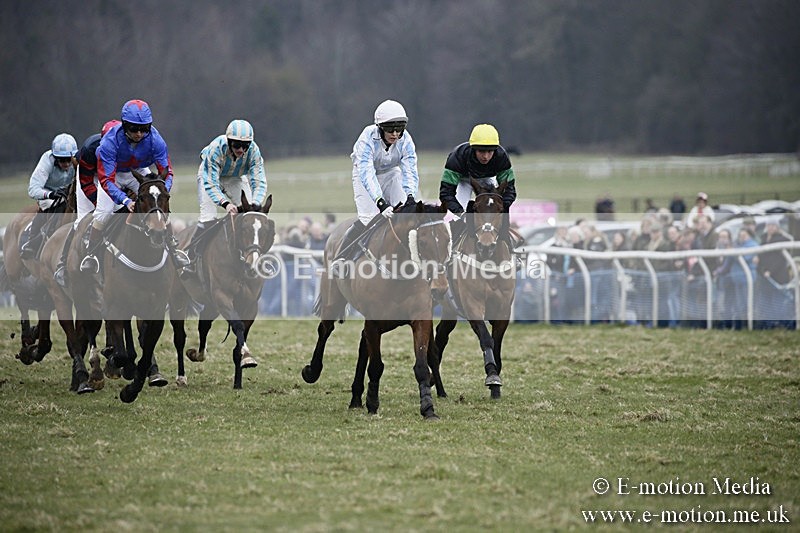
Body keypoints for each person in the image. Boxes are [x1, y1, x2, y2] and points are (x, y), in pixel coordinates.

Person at [80, 99, 186, 274]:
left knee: (157, 203)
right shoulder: (110, 142)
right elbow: (107, 181)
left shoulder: (156, 140)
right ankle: (92, 254)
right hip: (113, 175)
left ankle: (173, 249)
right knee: (103, 213)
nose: (139, 134)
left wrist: (163, 191)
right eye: (134, 129)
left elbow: (167, 173)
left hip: (137, 171)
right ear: (124, 126)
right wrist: (126, 200)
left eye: (144, 129)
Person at [330, 100, 419, 275]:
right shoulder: (367, 137)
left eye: (399, 129)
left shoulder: (406, 140)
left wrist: (410, 196)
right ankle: (343, 257)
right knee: (369, 218)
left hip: (391, 173)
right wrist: (380, 202)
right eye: (390, 129)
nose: (395, 134)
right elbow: (367, 172)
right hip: (364, 175)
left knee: (407, 214)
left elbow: (410, 169)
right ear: (380, 128)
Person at [180, 119, 268, 277]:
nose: (241, 149)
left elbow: (259, 181)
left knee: (250, 216)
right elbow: (211, 183)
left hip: (235, 178)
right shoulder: (216, 148)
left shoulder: (254, 151)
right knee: (208, 218)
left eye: (245, 145)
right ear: (229, 142)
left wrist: (254, 204)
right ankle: (191, 259)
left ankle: (252, 256)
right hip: (210, 177)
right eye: (236, 145)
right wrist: (225, 203)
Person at [53, 120, 120, 287]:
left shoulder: (131, 146)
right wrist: (99, 204)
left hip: (112, 175)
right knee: (83, 221)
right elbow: (86, 182)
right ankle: (63, 264)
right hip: (89, 176)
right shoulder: (91, 148)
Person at [20, 133, 78, 260]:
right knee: (52, 205)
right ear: (55, 157)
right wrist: (50, 194)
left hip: (68, 192)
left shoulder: (77, 161)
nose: (66, 164)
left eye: (69, 159)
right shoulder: (47, 160)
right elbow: (33, 189)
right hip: (48, 194)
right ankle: (32, 242)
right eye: (62, 160)